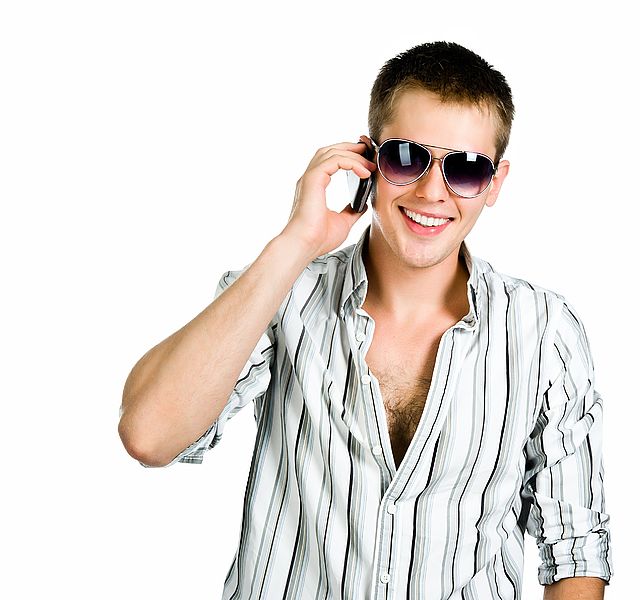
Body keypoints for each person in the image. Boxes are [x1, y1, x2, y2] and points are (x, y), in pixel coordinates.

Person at [119, 41, 612, 600]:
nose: (432, 191)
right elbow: (149, 435)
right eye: (406, 157)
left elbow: (574, 546)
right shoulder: (285, 296)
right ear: (368, 159)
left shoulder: (543, 330)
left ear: (494, 182)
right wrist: (297, 241)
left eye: (466, 169)